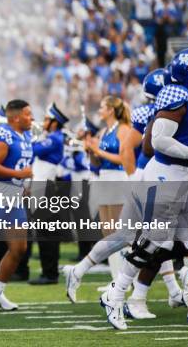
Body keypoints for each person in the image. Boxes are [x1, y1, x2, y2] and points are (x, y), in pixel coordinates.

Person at [100, 48, 188, 330]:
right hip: (169, 172)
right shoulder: (177, 94)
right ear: (187, 73)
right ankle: (115, 292)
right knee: (157, 240)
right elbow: (158, 140)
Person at [0, 100, 34, 310]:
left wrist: (24, 182)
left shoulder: (26, 135)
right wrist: (19, 174)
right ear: (16, 117)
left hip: (13, 194)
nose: (32, 118)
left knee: (19, 247)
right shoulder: (2, 134)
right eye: (28, 114)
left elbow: (21, 165)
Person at [84, 95, 131, 282]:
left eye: (103, 107)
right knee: (107, 231)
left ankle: (125, 279)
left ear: (111, 109)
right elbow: (97, 161)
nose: (100, 110)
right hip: (104, 177)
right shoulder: (103, 131)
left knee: (120, 232)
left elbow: (123, 159)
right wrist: (90, 150)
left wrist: (98, 151)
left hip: (118, 178)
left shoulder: (124, 129)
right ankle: (115, 279)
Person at [28, 103, 69, 285]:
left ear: (54, 122)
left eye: (46, 119)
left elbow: (33, 150)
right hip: (42, 187)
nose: (43, 122)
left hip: (46, 189)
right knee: (44, 232)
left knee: (47, 233)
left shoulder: (55, 138)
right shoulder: (52, 136)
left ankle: (50, 273)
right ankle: (48, 271)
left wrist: (34, 137)